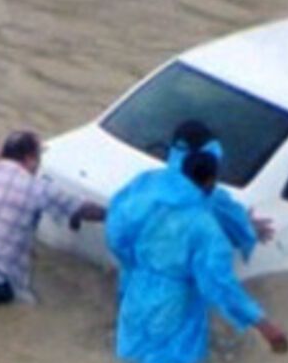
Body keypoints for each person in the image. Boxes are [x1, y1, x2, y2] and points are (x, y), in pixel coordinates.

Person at [108, 148, 288, 363]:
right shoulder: (205, 228)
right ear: (211, 181)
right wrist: (263, 324)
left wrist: (131, 268)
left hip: (135, 295)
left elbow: (116, 233)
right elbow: (220, 285)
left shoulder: (149, 202)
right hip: (175, 306)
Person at [0, 131, 104, 304]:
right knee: (33, 306)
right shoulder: (38, 188)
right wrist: (116, 213)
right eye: (39, 158)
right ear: (30, 158)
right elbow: (83, 209)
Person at [104, 120, 272, 284]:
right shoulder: (212, 198)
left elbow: (118, 218)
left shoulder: (146, 180)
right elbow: (242, 232)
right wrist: (251, 229)